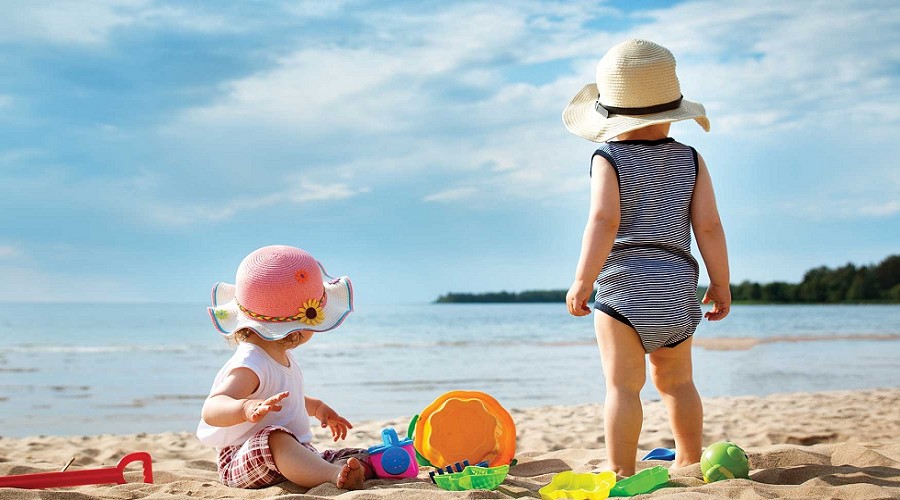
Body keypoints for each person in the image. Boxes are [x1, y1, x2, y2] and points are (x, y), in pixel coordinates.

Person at [562, 39, 731, 477]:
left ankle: (621, 468)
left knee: (622, 387)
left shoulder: (609, 157)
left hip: (625, 289)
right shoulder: (691, 159)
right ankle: (689, 460)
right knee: (678, 383)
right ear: (673, 111)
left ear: (611, 114)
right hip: (676, 290)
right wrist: (720, 282)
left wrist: (583, 280)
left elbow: (604, 221)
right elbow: (709, 226)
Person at [197, 244, 373, 490]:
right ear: (297, 329)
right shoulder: (250, 363)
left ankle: (351, 468)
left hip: (293, 451)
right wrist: (246, 408)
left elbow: (285, 399)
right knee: (276, 439)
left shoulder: (280, 355)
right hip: (245, 456)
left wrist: (317, 408)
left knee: (358, 454)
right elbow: (212, 408)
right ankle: (334, 475)